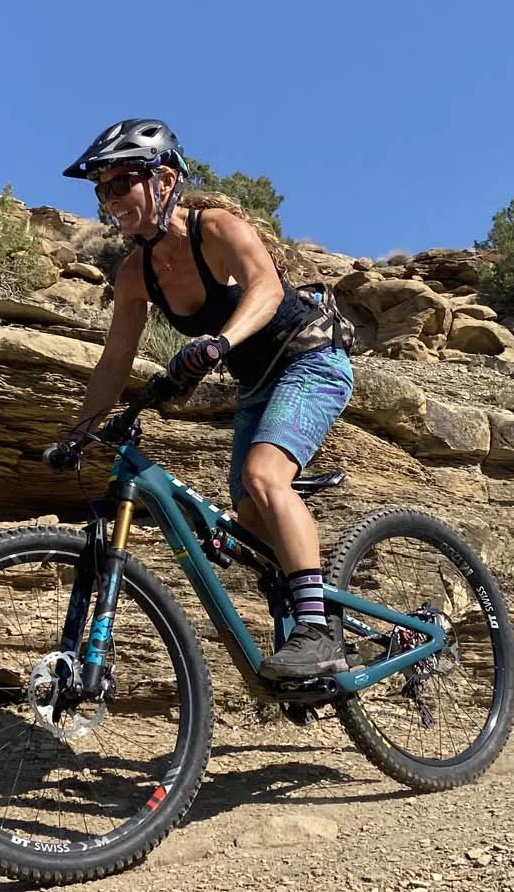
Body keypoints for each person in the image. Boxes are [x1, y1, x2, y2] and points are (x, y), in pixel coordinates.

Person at [49, 118, 354, 682]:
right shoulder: (136, 273)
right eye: (103, 189)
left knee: (264, 477)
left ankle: (318, 632)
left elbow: (265, 288)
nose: (111, 199)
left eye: (122, 183)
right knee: (249, 518)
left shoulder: (215, 228)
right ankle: (301, 619)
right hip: (257, 384)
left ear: (164, 180)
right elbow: (114, 361)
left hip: (311, 359)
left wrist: (220, 342)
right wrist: (78, 432)